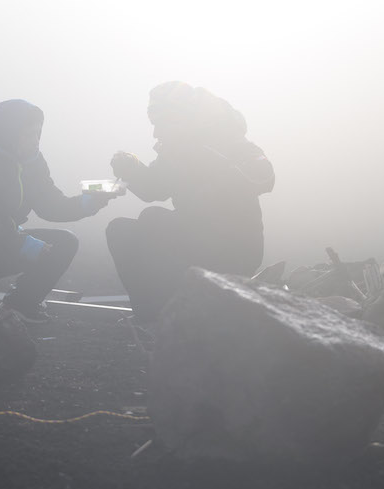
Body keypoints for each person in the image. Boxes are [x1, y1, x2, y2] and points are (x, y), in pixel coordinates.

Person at [0, 99, 119, 327]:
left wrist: (87, 203)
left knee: (65, 243)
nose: (36, 140)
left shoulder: (33, 162)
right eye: (29, 134)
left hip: (6, 235)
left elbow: (50, 205)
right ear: (9, 133)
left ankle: (22, 302)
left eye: (38, 134)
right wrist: (22, 243)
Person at [106, 82, 275, 322]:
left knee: (152, 219)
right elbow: (153, 189)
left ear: (180, 119)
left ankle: (179, 313)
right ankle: (153, 315)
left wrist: (209, 160)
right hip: (197, 240)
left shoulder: (231, 142)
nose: (155, 133)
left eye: (160, 124)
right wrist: (131, 170)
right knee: (122, 229)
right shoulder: (176, 149)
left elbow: (265, 178)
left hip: (235, 250)